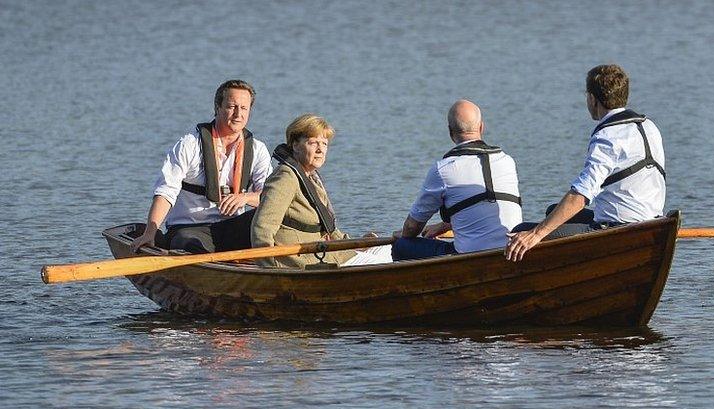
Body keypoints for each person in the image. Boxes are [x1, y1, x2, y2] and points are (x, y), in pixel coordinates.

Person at [505, 64, 666, 262]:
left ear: (591, 98)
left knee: (521, 231)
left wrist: (536, 234)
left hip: (620, 228)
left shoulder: (607, 136)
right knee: (552, 211)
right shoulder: (649, 126)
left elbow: (581, 195)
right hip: (653, 221)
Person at [131, 79, 273, 253]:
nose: (238, 114)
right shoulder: (189, 144)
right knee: (189, 244)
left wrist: (245, 198)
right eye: (231, 107)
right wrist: (149, 233)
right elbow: (165, 191)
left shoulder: (258, 149)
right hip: (190, 229)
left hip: (232, 227)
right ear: (217, 107)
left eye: (244, 108)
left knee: (273, 217)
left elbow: (269, 197)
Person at [250, 114, 391, 268]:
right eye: (313, 143)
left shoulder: (311, 177)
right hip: (304, 260)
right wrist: (269, 268)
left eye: (324, 144)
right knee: (384, 262)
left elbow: (328, 227)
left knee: (386, 250)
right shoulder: (286, 177)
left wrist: (355, 244)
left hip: (324, 253)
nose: (320, 150)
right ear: (295, 145)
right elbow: (262, 227)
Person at [392, 99, 523, 260]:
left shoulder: (443, 169)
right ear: (482, 126)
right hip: (511, 250)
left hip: (470, 258)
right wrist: (444, 226)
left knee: (402, 246)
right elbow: (483, 206)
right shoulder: (507, 161)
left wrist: (402, 235)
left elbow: (412, 227)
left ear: (450, 132)